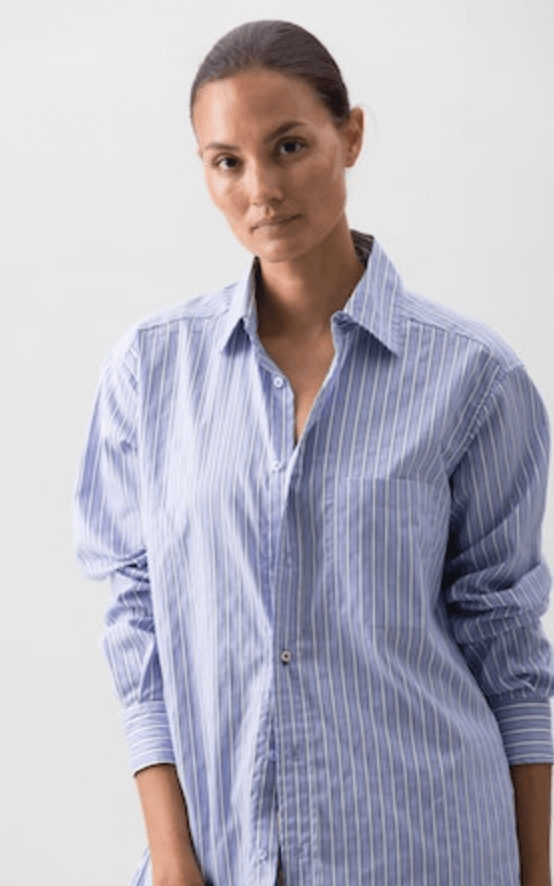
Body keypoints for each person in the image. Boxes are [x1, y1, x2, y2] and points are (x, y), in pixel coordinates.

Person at [74, 19, 554, 886]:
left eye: (289, 146)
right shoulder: (149, 373)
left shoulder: (475, 380)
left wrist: (536, 873)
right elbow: (136, 622)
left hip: (432, 849)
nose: (261, 189)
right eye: (227, 161)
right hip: (224, 855)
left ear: (351, 136)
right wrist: (174, 859)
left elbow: (509, 648)